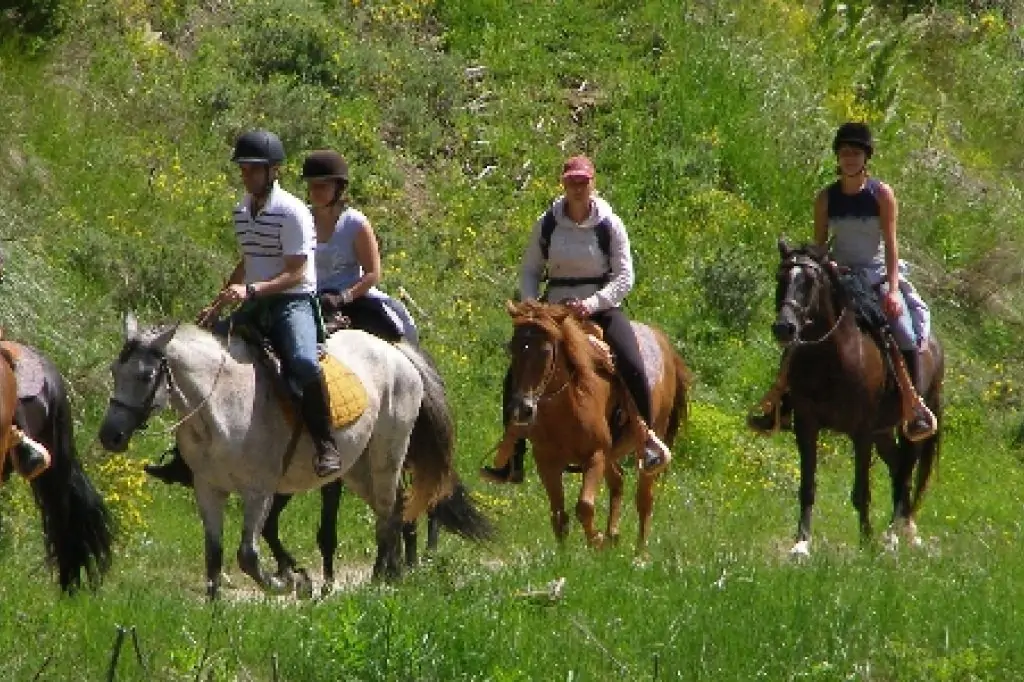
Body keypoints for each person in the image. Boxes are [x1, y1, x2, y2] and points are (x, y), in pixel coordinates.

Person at [144, 129, 342, 485]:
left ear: (273, 171)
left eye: (253, 169)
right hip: (255, 299)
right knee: (199, 361)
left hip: (292, 301)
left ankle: (326, 443)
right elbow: (249, 259)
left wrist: (250, 290)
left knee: (301, 361)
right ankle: (186, 455)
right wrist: (219, 300)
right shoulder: (242, 210)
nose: (246, 175)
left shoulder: (293, 212)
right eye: (244, 169)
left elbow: (297, 272)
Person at [481, 154, 672, 484]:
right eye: (572, 182)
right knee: (518, 370)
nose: (578, 188)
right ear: (563, 184)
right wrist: (531, 305)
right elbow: (530, 269)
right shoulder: (548, 223)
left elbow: (624, 276)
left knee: (630, 361)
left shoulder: (609, 224)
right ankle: (512, 455)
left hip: (599, 305)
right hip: (553, 309)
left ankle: (646, 438)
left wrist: (593, 303)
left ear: (593, 183)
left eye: (583, 182)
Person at [747, 121, 935, 440]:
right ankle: (784, 402)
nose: (849, 158)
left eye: (855, 152)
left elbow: (890, 245)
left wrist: (891, 290)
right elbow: (819, 246)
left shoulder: (881, 194)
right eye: (845, 152)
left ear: (866, 158)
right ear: (838, 157)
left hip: (876, 274)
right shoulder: (826, 198)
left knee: (903, 329)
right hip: (840, 275)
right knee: (803, 328)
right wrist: (824, 268)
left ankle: (912, 405)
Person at [300, 149, 418, 344]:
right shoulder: (301, 218)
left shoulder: (355, 223)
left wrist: (342, 298)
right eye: (312, 186)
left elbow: (372, 273)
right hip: (310, 300)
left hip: (350, 299)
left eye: (322, 186)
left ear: (338, 187)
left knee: (390, 339)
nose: (315, 192)